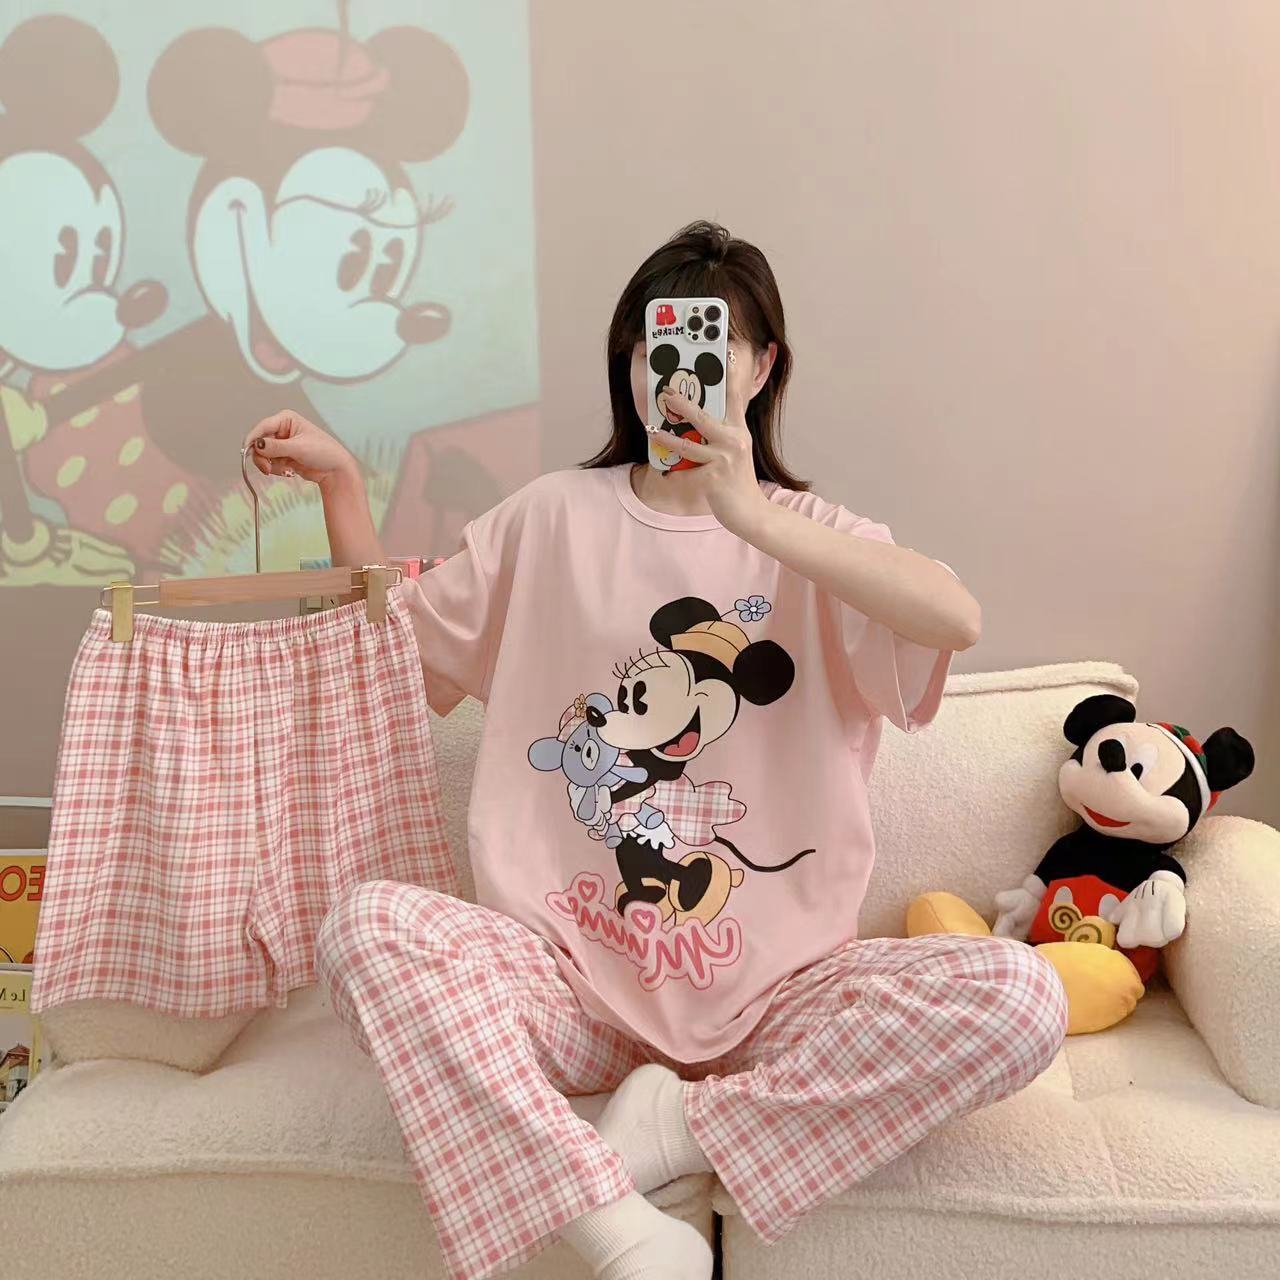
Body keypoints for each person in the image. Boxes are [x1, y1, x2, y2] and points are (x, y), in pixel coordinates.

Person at [244, 220, 1067, 1280]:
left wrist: (751, 517)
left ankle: (674, 1129)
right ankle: (617, 1228)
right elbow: (397, 651)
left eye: (706, 346)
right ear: (627, 362)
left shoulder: (814, 537)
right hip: (568, 987)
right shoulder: (551, 517)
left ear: (761, 367)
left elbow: (955, 618)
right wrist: (342, 493)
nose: (672, 373)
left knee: (1021, 997)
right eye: (651, 346)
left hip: (776, 1000)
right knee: (367, 929)